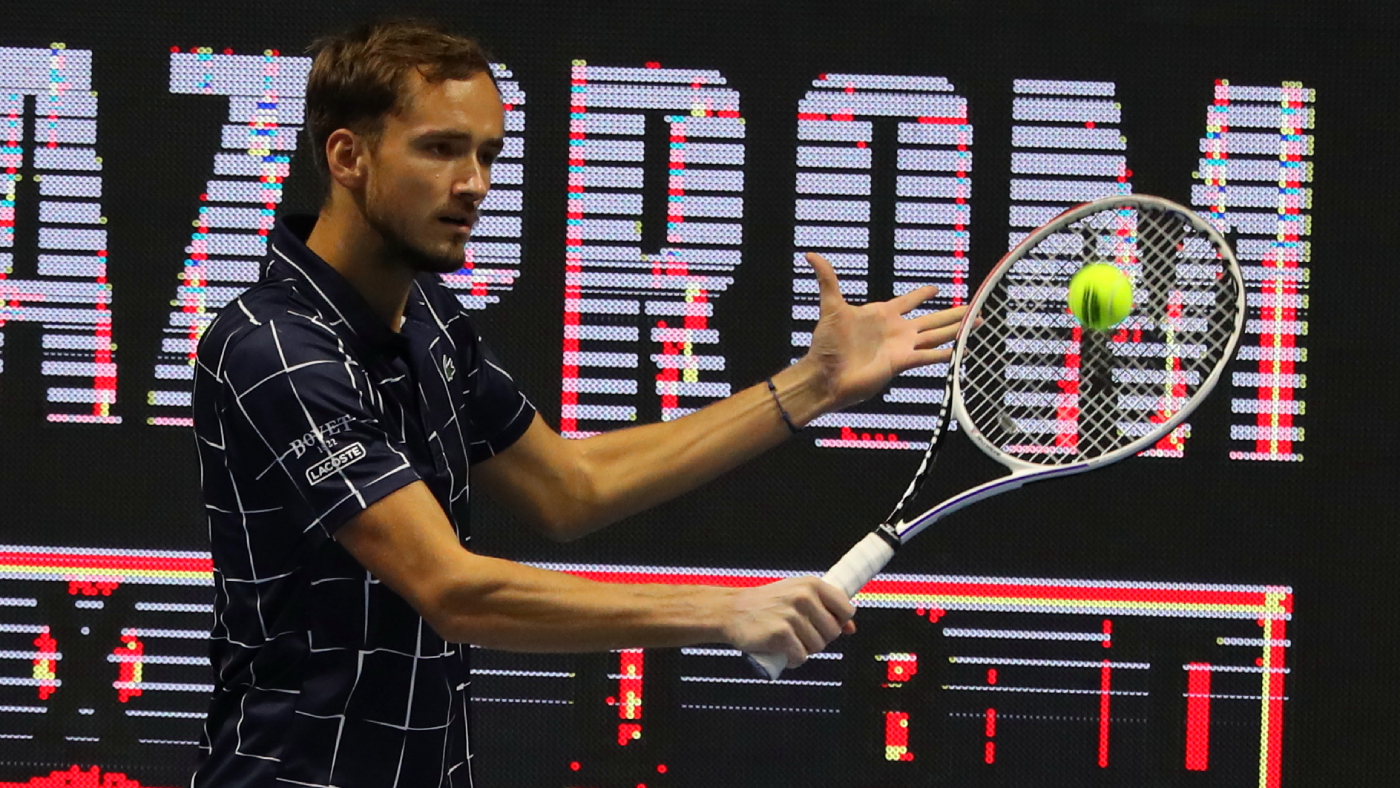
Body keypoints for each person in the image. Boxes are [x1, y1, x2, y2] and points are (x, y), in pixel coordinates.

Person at [189, 17, 967, 788]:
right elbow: (453, 590)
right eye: (440, 149)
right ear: (348, 156)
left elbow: (571, 488)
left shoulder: (428, 321)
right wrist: (723, 612)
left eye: (487, 154)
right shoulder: (272, 349)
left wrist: (813, 384)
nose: (474, 183)